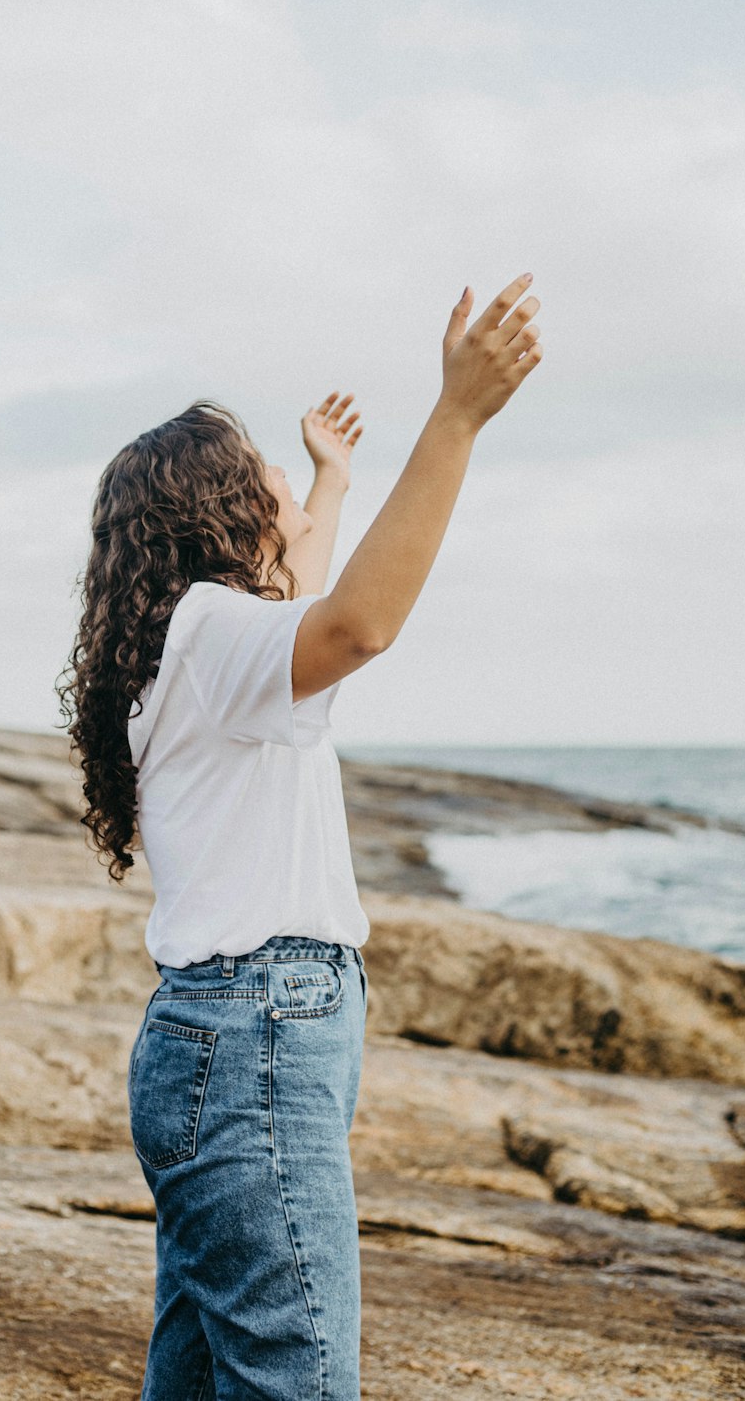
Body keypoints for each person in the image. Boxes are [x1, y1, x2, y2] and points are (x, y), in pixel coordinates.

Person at [56, 272, 543, 1399]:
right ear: (221, 509)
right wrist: (456, 418)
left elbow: (306, 588)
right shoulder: (216, 632)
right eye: (268, 475)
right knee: (299, 1379)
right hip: (256, 1036)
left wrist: (329, 476)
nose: (285, 489)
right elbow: (356, 622)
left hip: (214, 1039)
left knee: (200, 1374)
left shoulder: (185, 643)